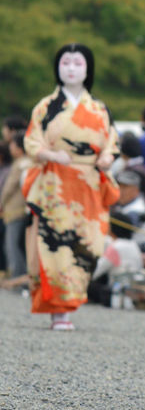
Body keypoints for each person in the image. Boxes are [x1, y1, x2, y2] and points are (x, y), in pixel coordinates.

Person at [22, 43, 119, 330]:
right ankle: (58, 309)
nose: (72, 68)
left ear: (88, 69)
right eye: (66, 63)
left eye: (78, 63)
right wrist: (50, 155)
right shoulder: (46, 107)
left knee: (86, 244)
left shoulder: (99, 109)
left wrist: (107, 157)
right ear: (57, 68)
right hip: (56, 183)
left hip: (88, 182)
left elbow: (111, 141)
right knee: (56, 243)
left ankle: (70, 302)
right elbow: (32, 141)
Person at [0, 132, 31, 277]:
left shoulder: (22, 163)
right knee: (13, 244)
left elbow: (9, 188)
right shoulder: (22, 162)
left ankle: (17, 276)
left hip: (15, 210)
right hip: (17, 210)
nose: (10, 148)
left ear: (20, 148)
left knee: (12, 245)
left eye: (13, 145)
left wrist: (1, 203)